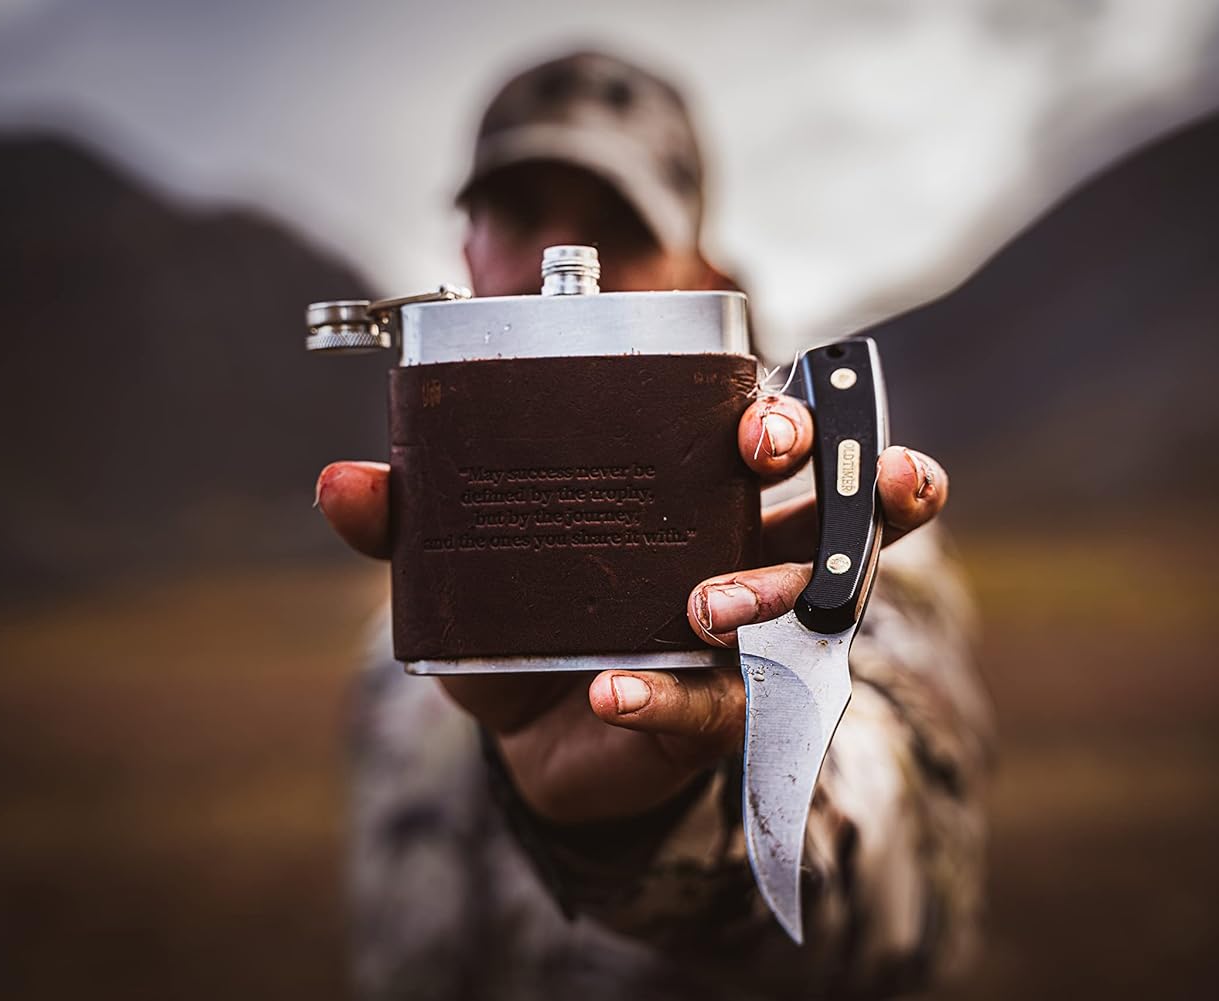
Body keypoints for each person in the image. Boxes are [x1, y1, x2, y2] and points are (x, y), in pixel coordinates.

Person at [314, 50, 993, 1000]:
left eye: (613, 230)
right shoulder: (412, 630)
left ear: (698, 274)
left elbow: (901, 894)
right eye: (516, 217)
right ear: (467, 254)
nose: (561, 267)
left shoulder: (819, 535)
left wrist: (668, 819)